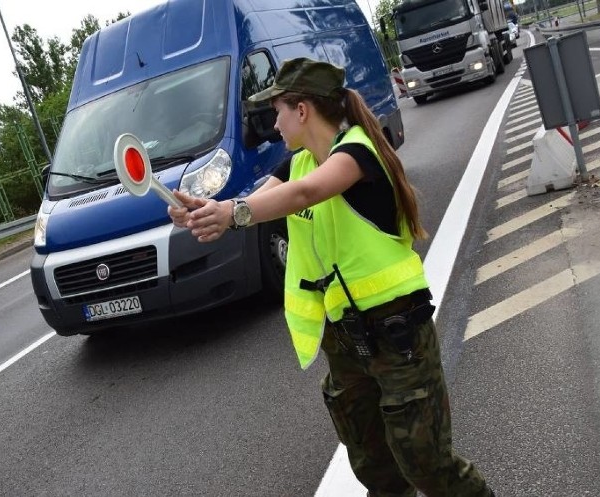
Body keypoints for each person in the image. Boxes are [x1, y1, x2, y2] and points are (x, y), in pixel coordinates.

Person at [167, 57, 495, 497]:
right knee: (374, 466)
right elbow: (255, 202)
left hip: (397, 330)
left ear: (301, 110)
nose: (274, 122)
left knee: (426, 464)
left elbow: (306, 194)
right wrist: (205, 212)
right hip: (344, 339)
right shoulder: (295, 164)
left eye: (277, 110)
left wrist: (231, 213)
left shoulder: (357, 151)